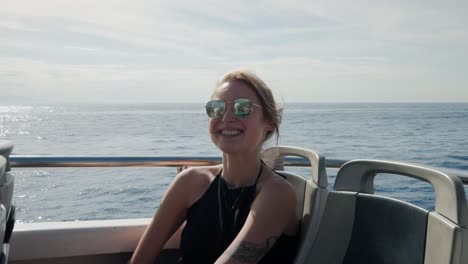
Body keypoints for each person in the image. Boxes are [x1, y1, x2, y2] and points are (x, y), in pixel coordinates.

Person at [130, 69, 299, 264]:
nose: (226, 117)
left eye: (242, 108)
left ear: (269, 122)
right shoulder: (190, 181)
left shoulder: (277, 194)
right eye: (216, 108)